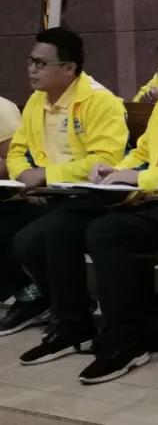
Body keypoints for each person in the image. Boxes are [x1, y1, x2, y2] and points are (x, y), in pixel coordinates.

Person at [15, 31, 158, 382]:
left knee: (107, 232)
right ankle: (73, 326)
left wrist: (138, 178)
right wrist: (116, 170)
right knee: (61, 226)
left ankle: (125, 341)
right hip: (148, 197)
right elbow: (143, 151)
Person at [1, 29, 127, 337]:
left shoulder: (100, 101)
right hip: (49, 194)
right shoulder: (37, 101)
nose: (32, 69)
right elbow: (16, 152)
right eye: (31, 61)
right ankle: (40, 299)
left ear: (69, 67)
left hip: (91, 198)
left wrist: (46, 175)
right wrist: (24, 176)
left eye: (41, 63)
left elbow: (104, 161)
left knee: (34, 239)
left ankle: (72, 313)